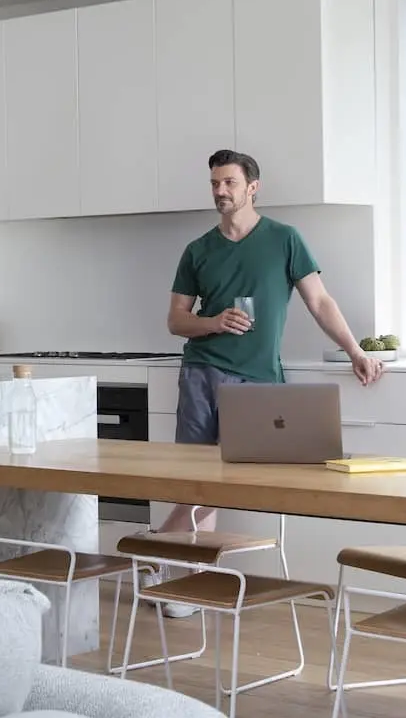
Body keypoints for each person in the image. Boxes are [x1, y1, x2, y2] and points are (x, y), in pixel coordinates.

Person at [161, 149, 383, 540]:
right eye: (215, 183)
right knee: (194, 483)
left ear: (253, 187)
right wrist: (213, 321)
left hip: (258, 379)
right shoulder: (197, 250)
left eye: (230, 182)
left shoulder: (284, 239)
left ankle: (153, 548)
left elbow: (320, 301)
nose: (221, 191)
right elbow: (176, 320)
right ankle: (190, 583)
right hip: (201, 374)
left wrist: (355, 350)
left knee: (230, 481)